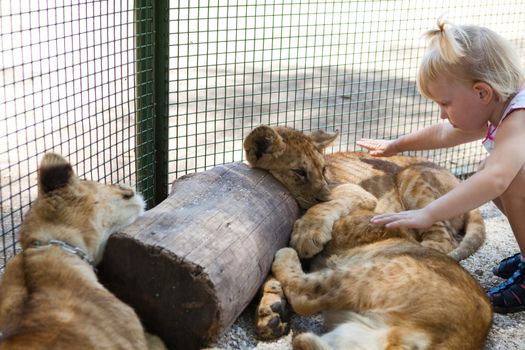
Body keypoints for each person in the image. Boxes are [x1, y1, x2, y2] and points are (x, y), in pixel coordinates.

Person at [357, 19, 525, 314]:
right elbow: (446, 133)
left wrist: (428, 213)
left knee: (507, 177)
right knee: (491, 166)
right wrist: (398, 144)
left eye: (445, 103)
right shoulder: (500, 104)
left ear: (482, 92)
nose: (442, 114)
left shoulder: (518, 117)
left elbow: (498, 179)